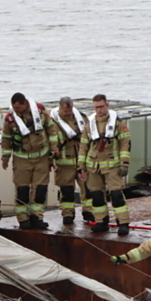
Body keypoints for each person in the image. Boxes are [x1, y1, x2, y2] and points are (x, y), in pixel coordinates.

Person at [2, 92, 59, 230]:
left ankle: (37, 217)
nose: (16, 111)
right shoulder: (10, 119)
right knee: (22, 190)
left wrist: (54, 149)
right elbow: (6, 139)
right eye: (14, 108)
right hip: (22, 159)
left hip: (41, 158)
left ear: (25, 104)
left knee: (40, 190)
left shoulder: (40, 112)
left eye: (19, 108)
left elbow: (51, 130)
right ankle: (23, 219)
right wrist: (5, 159)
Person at [79, 94, 131, 235]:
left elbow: (125, 144)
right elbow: (83, 146)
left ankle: (123, 222)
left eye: (101, 106)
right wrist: (81, 166)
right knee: (96, 195)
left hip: (112, 165)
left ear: (107, 105)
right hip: (93, 166)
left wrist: (124, 163)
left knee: (116, 195)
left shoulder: (118, 123)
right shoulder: (90, 125)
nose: (99, 110)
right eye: (96, 107)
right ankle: (101, 221)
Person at [50, 96, 92, 226]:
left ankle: (89, 212)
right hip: (64, 163)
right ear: (60, 109)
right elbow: (50, 140)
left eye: (69, 111)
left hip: (81, 160)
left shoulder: (82, 118)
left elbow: (89, 137)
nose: (67, 113)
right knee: (67, 191)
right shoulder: (52, 122)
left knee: (87, 188)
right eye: (65, 112)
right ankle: (68, 214)